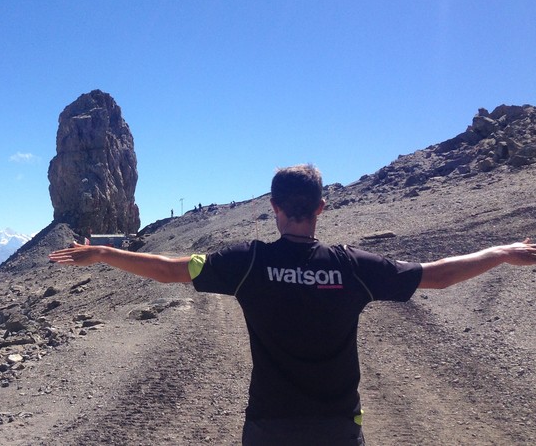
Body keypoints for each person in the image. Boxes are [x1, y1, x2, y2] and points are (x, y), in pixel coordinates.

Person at [49, 164, 536, 445]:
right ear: (321, 208)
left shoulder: (247, 261)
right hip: (339, 427)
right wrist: (502, 252)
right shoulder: (351, 265)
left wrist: (104, 253)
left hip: (270, 425)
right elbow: (437, 275)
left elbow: (171, 269)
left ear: (275, 208)